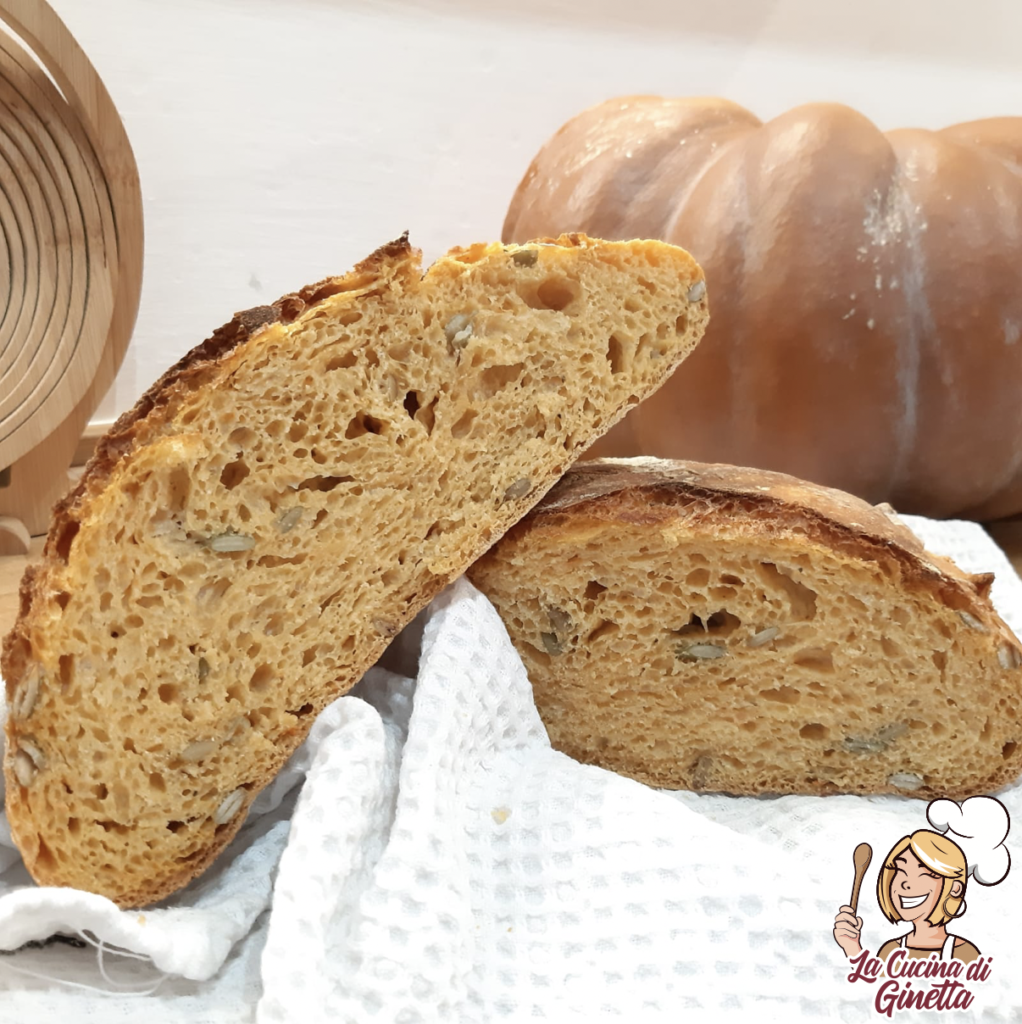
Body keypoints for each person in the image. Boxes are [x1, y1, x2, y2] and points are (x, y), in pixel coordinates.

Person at [833, 829, 980, 964]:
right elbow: (873, 989)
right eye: (900, 870)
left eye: (925, 873)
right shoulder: (891, 951)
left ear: (955, 888)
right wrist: (852, 947)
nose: (905, 883)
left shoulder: (964, 954)